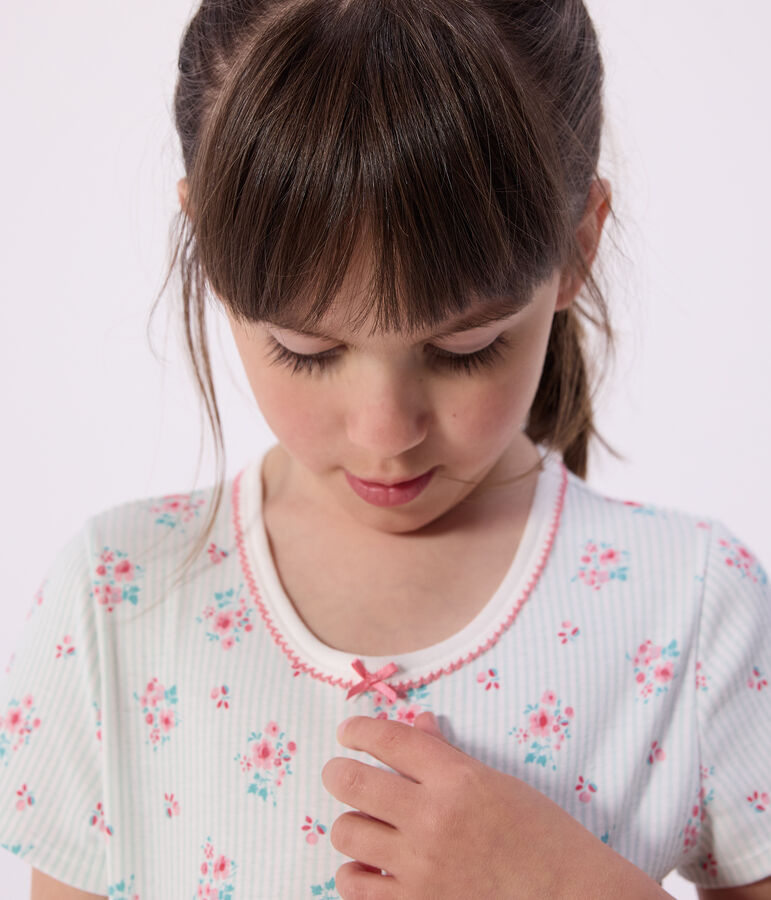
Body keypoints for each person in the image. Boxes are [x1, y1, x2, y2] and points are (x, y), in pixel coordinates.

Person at [1, 1, 770, 898]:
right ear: (208, 245)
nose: (384, 433)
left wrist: (564, 885)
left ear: (577, 248)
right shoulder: (118, 599)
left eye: (463, 348)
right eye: (306, 349)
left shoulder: (693, 607)